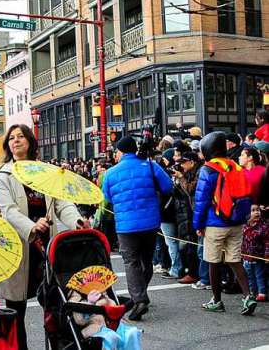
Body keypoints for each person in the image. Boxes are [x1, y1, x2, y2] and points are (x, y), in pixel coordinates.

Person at [0, 124, 88, 349]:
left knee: (54, 304)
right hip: (20, 244)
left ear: (30, 141)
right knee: (17, 308)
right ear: (8, 144)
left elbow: (62, 202)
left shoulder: (44, 171)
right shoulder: (2, 174)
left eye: (21, 137)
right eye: (12, 138)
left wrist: (76, 221)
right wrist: (32, 226)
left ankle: (57, 344)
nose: (16, 141)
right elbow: (8, 210)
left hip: (47, 246)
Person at [102, 136, 173, 321]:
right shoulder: (150, 166)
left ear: (121, 152)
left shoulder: (110, 173)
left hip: (125, 225)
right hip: (150, 222)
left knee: (131, 261)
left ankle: (139, 298)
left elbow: (107, 197)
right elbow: (167, 187)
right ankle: (140, 294)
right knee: (146, 259)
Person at [192, 132, 257, 315]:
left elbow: (201, 201)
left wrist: (197, 225)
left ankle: (217, 300)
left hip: (215, 222)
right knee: (235, 260)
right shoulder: (234, 165)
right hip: (236, 222)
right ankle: (247, 296)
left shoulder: (208, 169)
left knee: (213, 262)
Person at [172, 152, 202, 285]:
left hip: (196, 211)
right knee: (188, 245)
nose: (182, 165)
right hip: (188, 211)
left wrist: (181, 177)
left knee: (195, 246)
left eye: (184, 162)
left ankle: (198, 274)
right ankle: (193, 272)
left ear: (192, 162)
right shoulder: (189, 173)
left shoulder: (199, 172)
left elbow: (190, 189)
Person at [241, 205, 268, 302]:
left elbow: (267, 242)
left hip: (258, 257)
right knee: (249, 275)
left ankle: (262, 292)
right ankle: (252, 292)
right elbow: (242, 242)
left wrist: (266, 254)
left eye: (258, 210)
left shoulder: (263, 227)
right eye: (253, 210)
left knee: (259, 275)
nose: (257, 212)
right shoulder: (244, 226)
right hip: (246, 257)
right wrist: (241, 253)